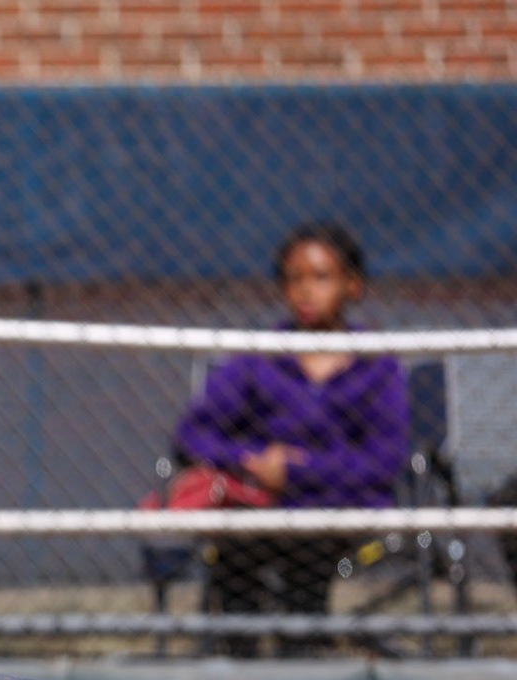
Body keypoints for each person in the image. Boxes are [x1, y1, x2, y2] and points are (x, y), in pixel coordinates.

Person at [174, 220, 410, 655]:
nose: (305, 291)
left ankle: (304, 657)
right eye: (293, 278)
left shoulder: (377, 364)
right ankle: (239, 659)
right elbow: (194, 433)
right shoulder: (260, 356)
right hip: (261, 505)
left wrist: (300, 472)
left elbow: (383, 459)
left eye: (321, 278)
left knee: (309, 551)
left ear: (352, 286)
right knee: (237, 548)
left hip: (339, 508)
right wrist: (253, 460)